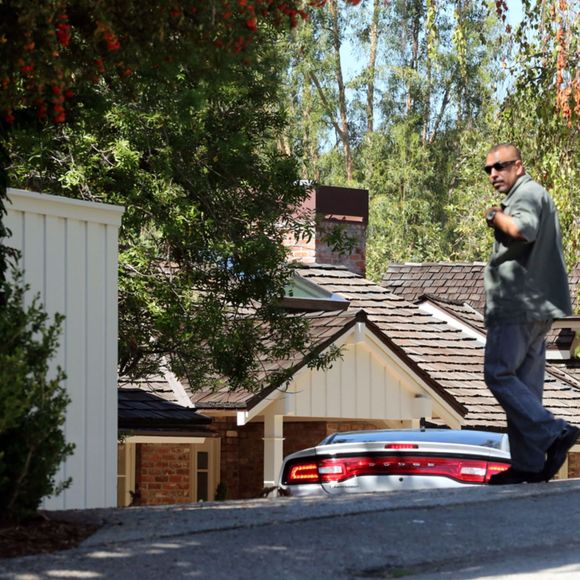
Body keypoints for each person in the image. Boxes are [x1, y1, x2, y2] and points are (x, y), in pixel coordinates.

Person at [482, 143, 578, 485]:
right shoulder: (536, 193)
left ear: (518, 166)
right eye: (488, 169)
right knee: (524, 386)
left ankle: (554, 432)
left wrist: (494, 217)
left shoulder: (526, 194)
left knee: (498, 374)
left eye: (500, 167)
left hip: (517, 303)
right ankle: (530, 465)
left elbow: (523, 229)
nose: (494, 174)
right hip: (537, 307)